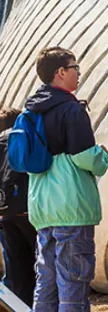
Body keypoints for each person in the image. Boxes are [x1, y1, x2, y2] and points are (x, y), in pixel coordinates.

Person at [25, 47, 108, 312]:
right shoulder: (71, 109)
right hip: (71, 208)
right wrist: (103, 157)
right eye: (75, 68)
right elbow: (85, 156)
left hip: (42, 209)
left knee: (46, 284)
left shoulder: (30, 112)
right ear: (60, 72)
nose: (78, 74)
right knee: (73, 284)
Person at [0, 107, 34, 305]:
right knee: (39, 269)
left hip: (6, 215)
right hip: (28, 212)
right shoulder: (22, 140)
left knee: (16, 273)